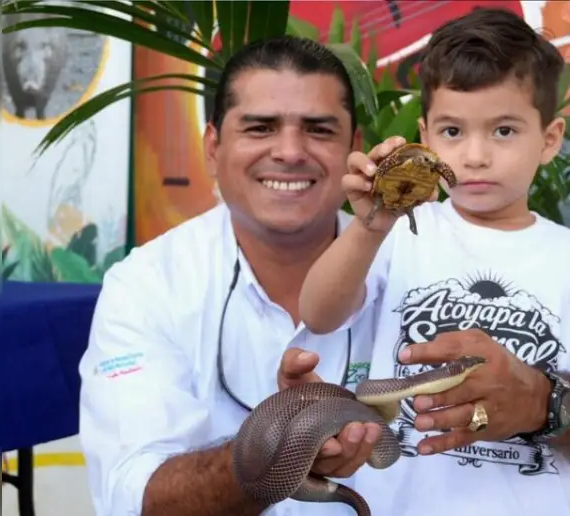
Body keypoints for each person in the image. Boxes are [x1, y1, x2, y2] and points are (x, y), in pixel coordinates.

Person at [299, 8, 570, 515]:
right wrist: (368, 227)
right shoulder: (401, 233)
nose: (475, 156)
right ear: (426, 136)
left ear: (550, 140)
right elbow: (319, 314)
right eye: (453, 131)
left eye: (504, 131)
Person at [77, 36, 385, 516]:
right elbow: (134, 497)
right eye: (260, 128)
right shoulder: (148, 285)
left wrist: (518, 408)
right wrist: (275, 448)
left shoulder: (419, 266)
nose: (290, 152)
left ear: (354, 149)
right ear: (213, 146)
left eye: (319, 130)